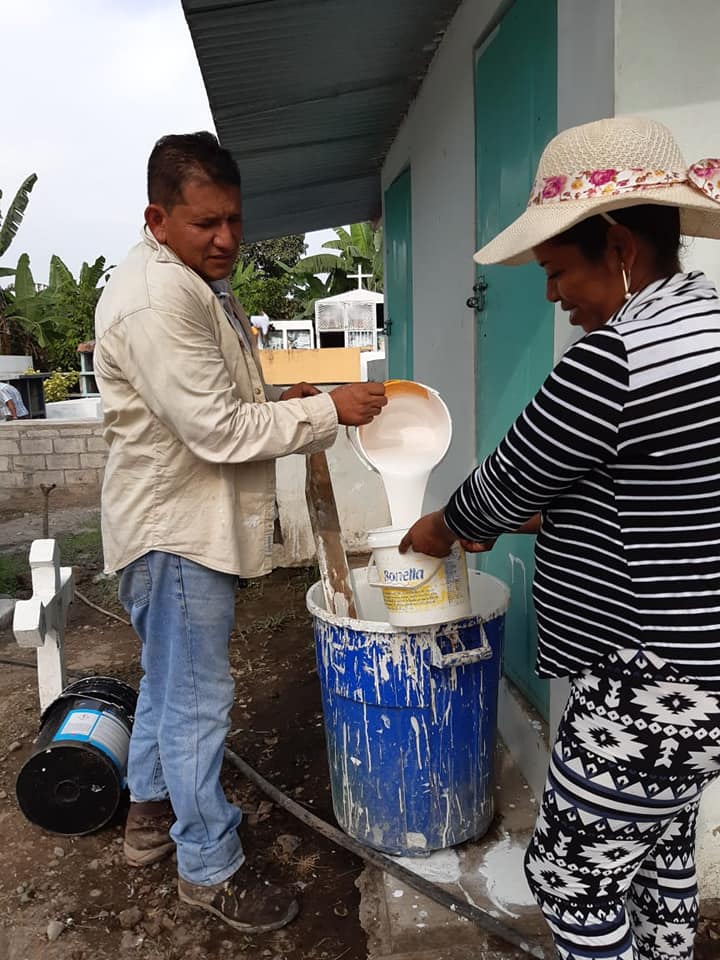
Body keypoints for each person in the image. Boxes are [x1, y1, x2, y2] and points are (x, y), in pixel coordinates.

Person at [400, 116, 720, 960]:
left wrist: (436, 530)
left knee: (570, 880)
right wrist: (563, 513)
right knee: (658, 862)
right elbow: (672, 483)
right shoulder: (706, 326)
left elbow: (502, 482)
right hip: (704, 682)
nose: (552, 296)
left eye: (556, 271)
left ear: (619, 247)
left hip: (657, 685)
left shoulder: (617, 358)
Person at [93, 131, 386, 935]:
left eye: (233, 219)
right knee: (195, 699)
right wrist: (328, 410)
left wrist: (294, 398)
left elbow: (224, 395)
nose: (225, 238)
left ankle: (150, 816)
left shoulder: (189, 280)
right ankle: (208, 865)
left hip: (172, 525)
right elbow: (218, 430)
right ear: (157, 218)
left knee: (167, 684)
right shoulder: (157, 301)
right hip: (177, 534)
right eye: (205, 223)